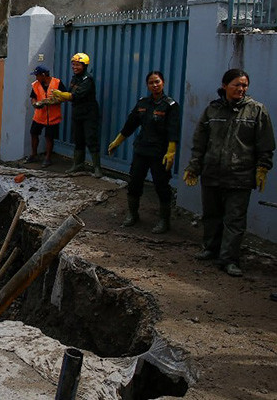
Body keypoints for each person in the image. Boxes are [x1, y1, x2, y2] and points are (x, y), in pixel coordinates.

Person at [183, 68, 275, 277]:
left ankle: (229, 260)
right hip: (212, 173)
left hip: (240, 176)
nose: (241, 89)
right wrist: (194, 167)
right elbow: (200, 142)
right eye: (236, 84)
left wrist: (262, 167)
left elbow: (266, 144)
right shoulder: (212, 110)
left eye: (244, 85)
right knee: (212, 216)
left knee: (234, 220)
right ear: (225, 86)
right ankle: (210, 249)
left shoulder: (257, 111)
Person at [107, 71, 180, 234]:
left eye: (157, 82)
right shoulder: (143, 103)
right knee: (134, 183)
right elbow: (130, 124)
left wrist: (171, 151)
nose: (155, 85)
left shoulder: (170, 105)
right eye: (151, 83)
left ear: (163, 83)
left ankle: (164, 221)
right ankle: (132, 214)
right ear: (147, 85)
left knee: (161, 186)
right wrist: (117, 141)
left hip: (159, 152)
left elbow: (174, 130)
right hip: (141, 150)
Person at [52, 53, 103, 177]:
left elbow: (75, 95)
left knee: (91, 139)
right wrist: (55, 99)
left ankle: (97, 168)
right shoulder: (75, 78)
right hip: (77, 113)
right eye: (73, 64)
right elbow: (69, 94)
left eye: (78, 65)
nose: (75, 67)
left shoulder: (88, 80)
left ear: (84, 66)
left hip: (89, 114)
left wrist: (61, 94)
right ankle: (78, 164)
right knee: (78, 139)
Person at [26, 65, 65, 167]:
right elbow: (33, 97)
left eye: (37, 75)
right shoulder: (36, 85)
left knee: (49, 137)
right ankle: (33, 155)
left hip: (53, 116)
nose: (36, 78)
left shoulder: (57, 83)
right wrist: (35, 104)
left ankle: (48, 158)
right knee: (33, 133)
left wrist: (54, 101)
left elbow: (65, 96)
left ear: (43, 75)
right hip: (39, 115)